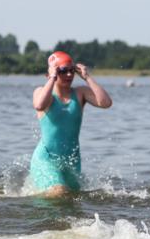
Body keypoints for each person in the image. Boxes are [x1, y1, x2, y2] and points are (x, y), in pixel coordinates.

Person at [28, 51, 112, 197]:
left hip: (71, 162)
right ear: (51, 73)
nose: (69, 75)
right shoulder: (41, 92)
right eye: (63, 71)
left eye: (71, 70)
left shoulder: (80, 94)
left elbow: (106, 103)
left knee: (71, 199)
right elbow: (39, 105)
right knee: (58, 192)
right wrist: (52, 78)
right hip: (45, 159)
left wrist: (87, 77)